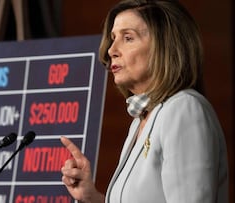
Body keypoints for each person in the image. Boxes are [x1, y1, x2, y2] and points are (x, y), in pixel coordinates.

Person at [60, 0, 229, 202]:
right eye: (113, 39)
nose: (111, 50)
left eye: (128, 38)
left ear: (164, 46)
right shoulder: (141, 121)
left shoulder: (184, 109)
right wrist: (92, 197)